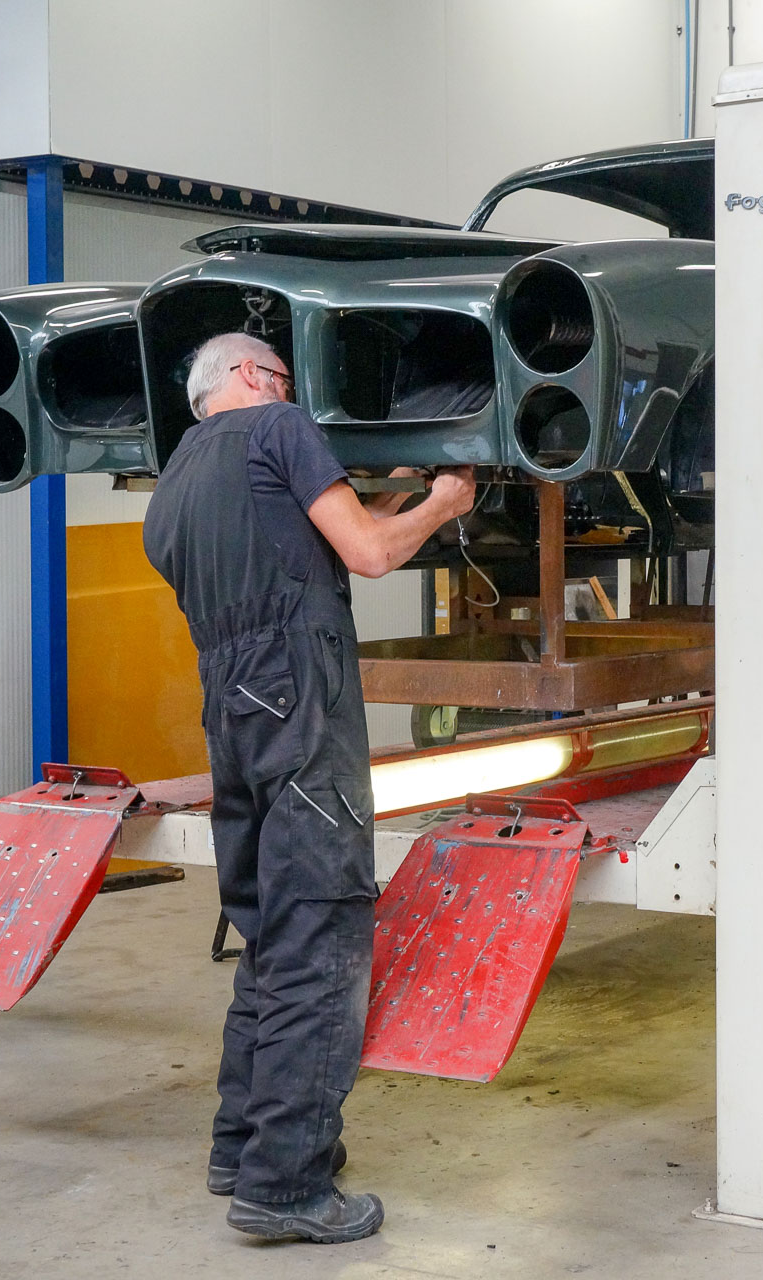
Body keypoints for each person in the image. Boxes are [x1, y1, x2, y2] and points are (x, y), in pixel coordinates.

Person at [143, 331, 475, 1242]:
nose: (296, 397)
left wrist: (397, 491)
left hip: (232, 704)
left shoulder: (174, 479)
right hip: (299, 695)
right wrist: (443, 505)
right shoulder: (278, 427)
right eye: (286, 380)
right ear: (253, 376)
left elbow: (301, 536)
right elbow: (366, 553)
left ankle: (240, 1146)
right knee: (322, 930)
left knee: (269, 927)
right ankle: (285, 1185)